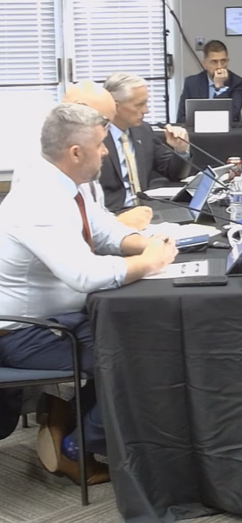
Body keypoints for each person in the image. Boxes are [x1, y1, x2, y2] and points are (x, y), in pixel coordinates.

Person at [0, 103, 178, 485]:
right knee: (138, 354)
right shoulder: (37, 200)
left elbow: (106, 233)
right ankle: (75, 447)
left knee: (142, 334)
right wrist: (148, 262)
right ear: (76, 152)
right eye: (100, 144)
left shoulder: (68, 187)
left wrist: (147, 243)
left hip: (58, 320)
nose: (106, 151)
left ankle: (66, 420)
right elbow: (83, 274)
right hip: (24, 334)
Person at [61, 81, 153, 230]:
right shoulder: (44, 163)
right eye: (103, 123)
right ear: (79, 109)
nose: (104, 150)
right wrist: (118, 223)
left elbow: (96, 219)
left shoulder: (83, 158)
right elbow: (70, 233)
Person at [99, 73, 192, 213]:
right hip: (112, 215)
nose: (146, 110)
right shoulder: (96, 138)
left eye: (146, 103)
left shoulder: (143, 130)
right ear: (115, 107)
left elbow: (174, 173)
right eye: (139, 105)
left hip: (146, 211)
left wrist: (181, 150)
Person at [176, 39, 242, 123]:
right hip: (198, 130)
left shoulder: (237, 83)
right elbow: (181, 119)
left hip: (226, 130)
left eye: (223, 61)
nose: (219, 66)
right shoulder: (191, 83)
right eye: (214, 62)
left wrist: (220, 87)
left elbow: (231, 115)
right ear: (204, 64)